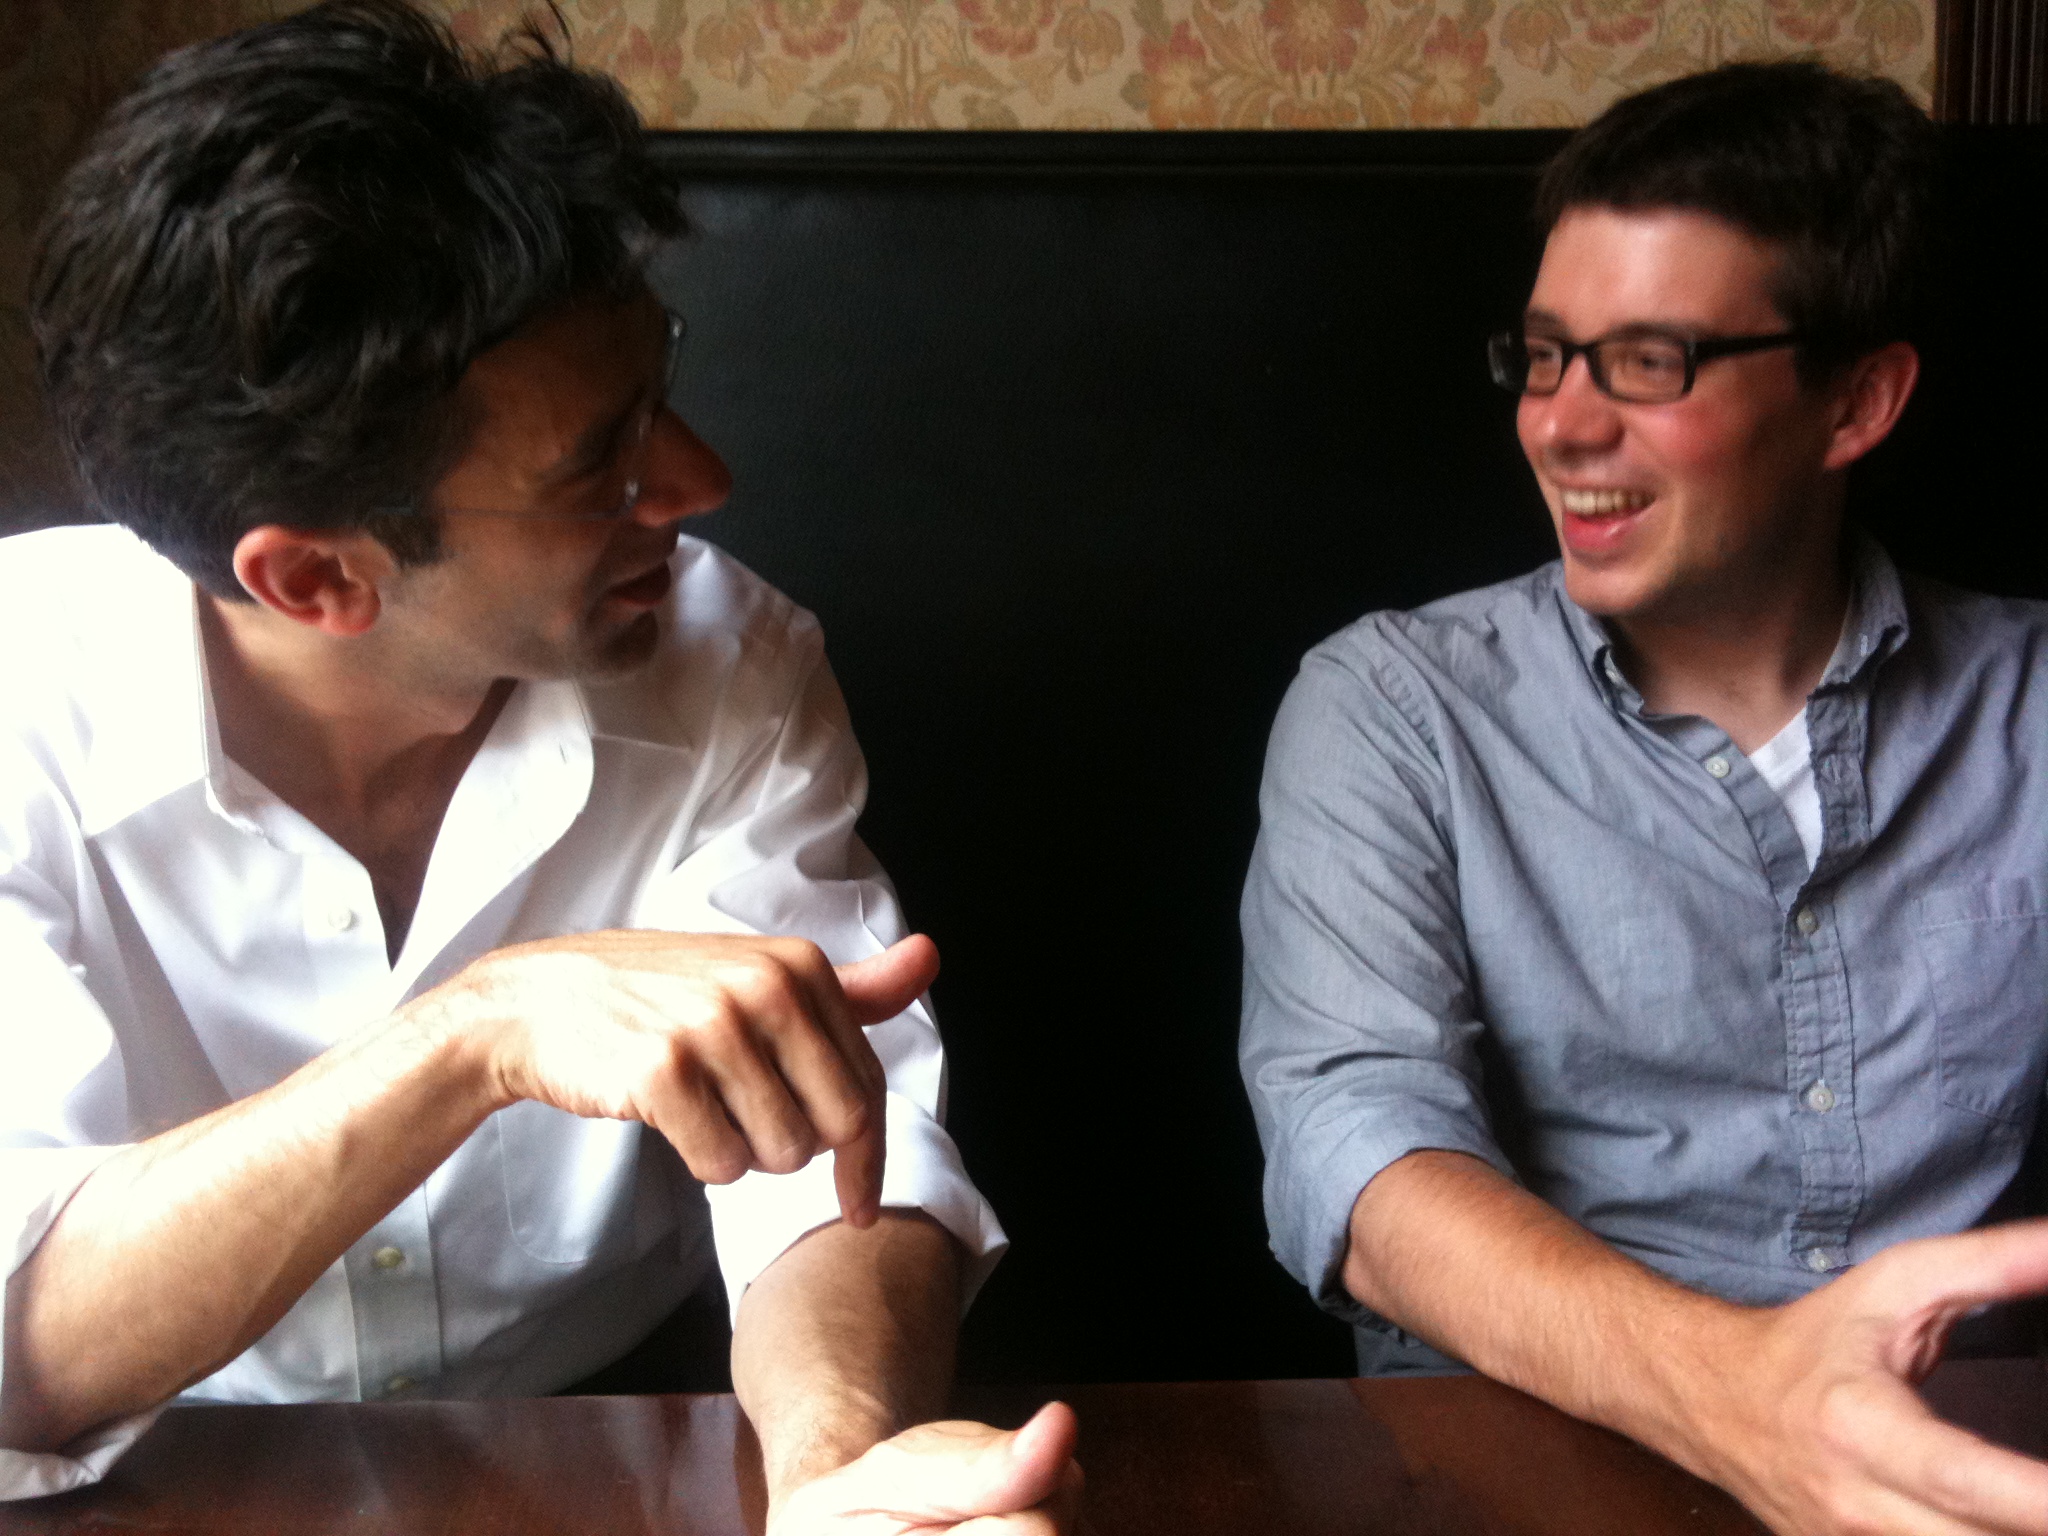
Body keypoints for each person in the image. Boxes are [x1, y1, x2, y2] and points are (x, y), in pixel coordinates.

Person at [0, 4, 1081, 1530]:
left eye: (662, 389)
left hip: (615, 1453)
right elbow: (16, 1344)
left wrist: (839, 1465)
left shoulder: (736, 659)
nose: (705, 486)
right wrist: (472, 1038)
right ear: (315, 579)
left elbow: (840, 1157)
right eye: (607, 469)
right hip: (156, 1470)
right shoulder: (16, 711)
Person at [1241, 60, 2048, 1536]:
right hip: (1513, 1485)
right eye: (1546, 357)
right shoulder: (1392, 708)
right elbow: (1357, 1150)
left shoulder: (2033, 704)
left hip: (1960, 1487)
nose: (1561, 426)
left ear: (1854, 401)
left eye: (1650, 363)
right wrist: (1745, 1396)